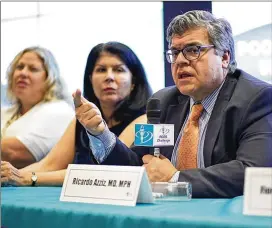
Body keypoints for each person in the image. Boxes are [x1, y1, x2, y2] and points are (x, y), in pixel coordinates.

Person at [67, 10, 271, 198]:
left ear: (224, 57)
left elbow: (253, 172)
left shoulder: (256, 98)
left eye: (193, 50)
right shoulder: (163, 101)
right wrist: (100, 134)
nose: (180, 61)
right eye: (175, 52)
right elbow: (135, 166)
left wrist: (175, 179)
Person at [1, 42, 153, 186]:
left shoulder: (145, 120)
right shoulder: (82, 119)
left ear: (134, 82)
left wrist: (27, 178)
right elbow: (50, 164)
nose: (109, 77)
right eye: (101, 70)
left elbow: (106, 173)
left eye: (119, 70)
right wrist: (10, 175)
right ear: (90, 79)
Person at [1, 46, 74, 169]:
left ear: (50, 79)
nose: (23, 73)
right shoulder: (5, 112)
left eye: (33, 69)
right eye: (19, 67)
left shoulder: (59, 111)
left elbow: (16, 154)